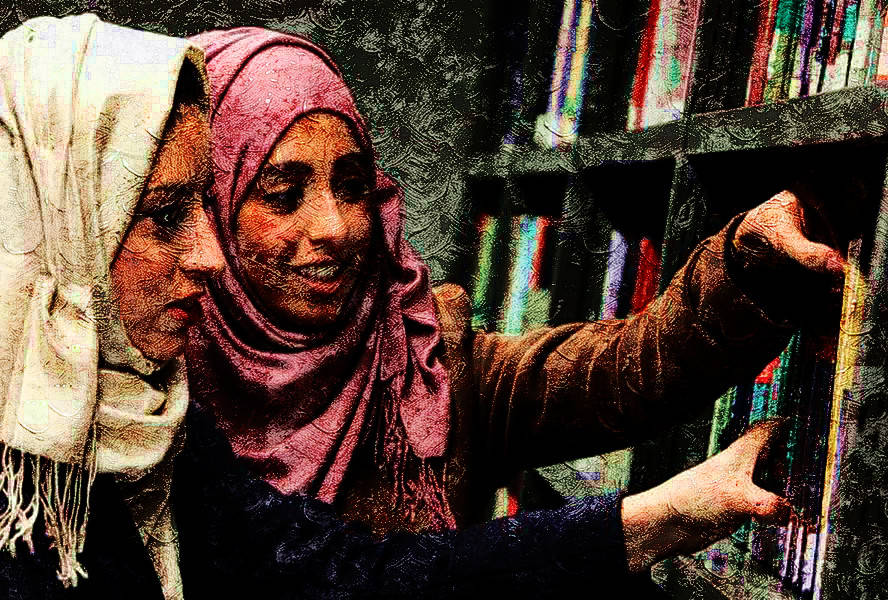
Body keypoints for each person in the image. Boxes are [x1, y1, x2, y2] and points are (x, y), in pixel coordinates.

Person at [185, 26, 843, 540]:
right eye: (283, 195)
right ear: (206, 205)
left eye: (353, 187)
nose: (334, 226)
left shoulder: (427, 364)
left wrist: (750, 261)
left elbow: (626, 370)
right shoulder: (151, 392)